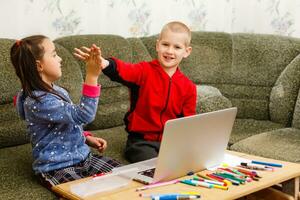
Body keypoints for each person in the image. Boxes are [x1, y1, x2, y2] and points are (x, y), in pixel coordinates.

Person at [10, 35, 121, 189]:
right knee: (85, 193)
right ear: (39, 65)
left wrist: (86, 138)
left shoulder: (57, 90)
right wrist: (92, 76)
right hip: (57, 167)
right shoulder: (38, 101)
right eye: (54, 54)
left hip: (84, 158)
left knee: (126, 176)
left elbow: (69, 120)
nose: (60, 59)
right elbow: (84, 114)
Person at [79, 21, 196, 163]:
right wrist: (104, 63)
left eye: (177, 47)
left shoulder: (188, 87)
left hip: (170, 143)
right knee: (155, 168)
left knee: (189, 164)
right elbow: (123, 70)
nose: (170, 51)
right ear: (157, 45)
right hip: (141, 142)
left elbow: (188, 122)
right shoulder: (143, 71)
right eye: (165, 44)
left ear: (187, 52)